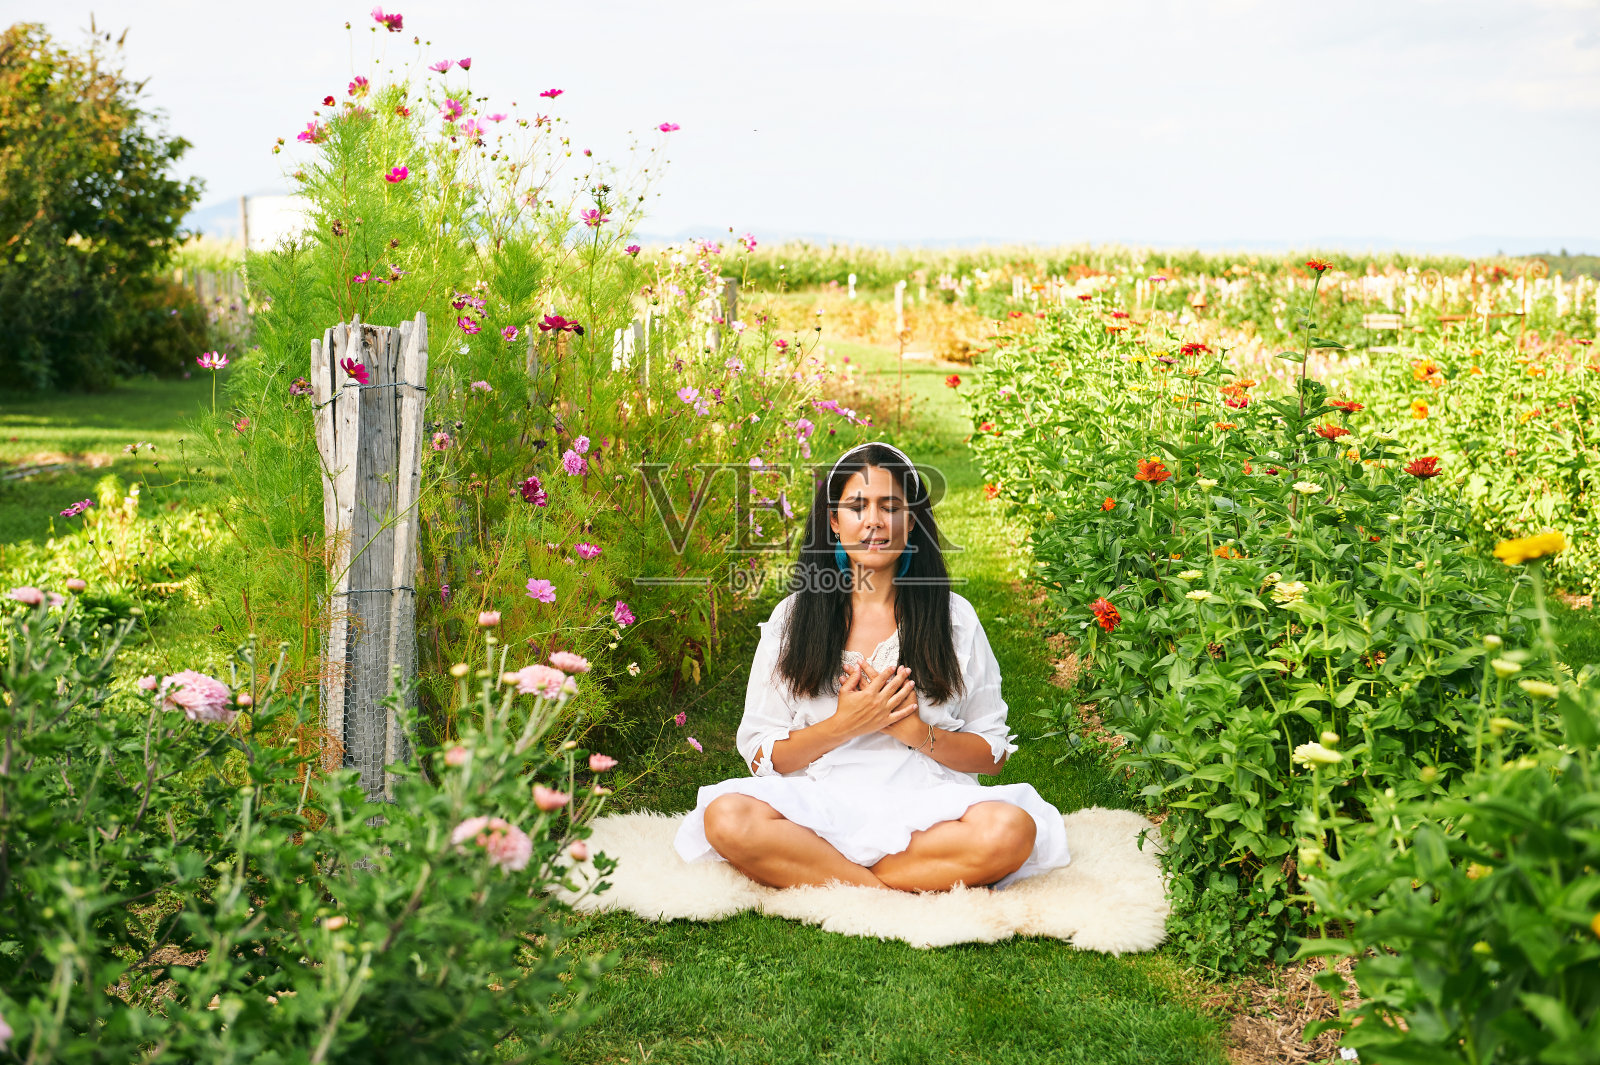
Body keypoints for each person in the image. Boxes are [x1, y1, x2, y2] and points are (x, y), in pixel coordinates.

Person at [673, 442, 1071, 891]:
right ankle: (887, 888)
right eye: (857, 506)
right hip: (819, 809)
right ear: (834, 521)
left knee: (1011, 830)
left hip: (928, 811)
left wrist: (916, 733)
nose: (874, 522)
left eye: (891, 506)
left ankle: (835, 878)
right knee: (727, 818)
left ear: (912, 519)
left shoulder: (954, 617)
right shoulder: (793, 618)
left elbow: (992, 753)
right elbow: (762, 755)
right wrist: (844, 725)